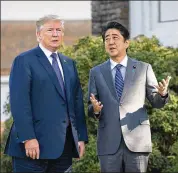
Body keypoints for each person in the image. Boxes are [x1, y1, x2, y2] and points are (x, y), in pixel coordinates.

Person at [4, 14, 88, 173]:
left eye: (59, 30)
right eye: (50, 30)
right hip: (32, 149)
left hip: (63, 149)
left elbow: (76, 103)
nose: (55, 34)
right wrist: (28, 138)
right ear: (38, 35)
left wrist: (80, 137)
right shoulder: (24, 60)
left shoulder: (69, 64)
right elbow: (20, 103)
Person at [88, 21, 171, 172]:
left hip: (137, 142)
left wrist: (162, 94)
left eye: (115, 37)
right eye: (107, 39)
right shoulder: (96, 72)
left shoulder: (143, 68)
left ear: (126, 42)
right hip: (108, 144)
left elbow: (157, 103)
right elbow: (90, 106)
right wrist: (95, 109)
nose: (111, 42)